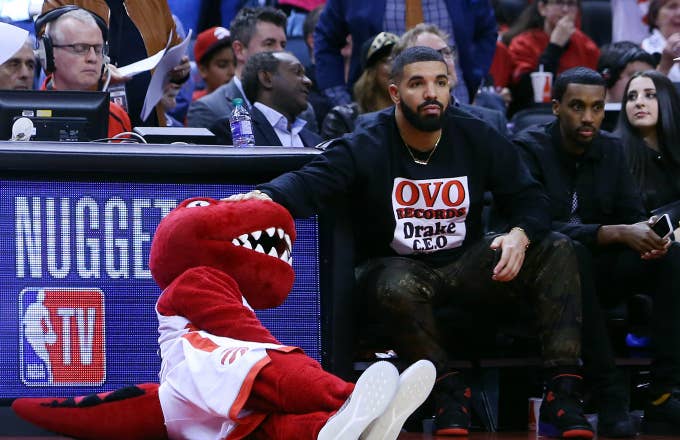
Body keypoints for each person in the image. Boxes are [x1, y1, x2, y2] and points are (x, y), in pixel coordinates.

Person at [230, 47, 594, 439]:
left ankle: (563, 391)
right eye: (417, 84)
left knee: (557, 248)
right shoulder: (369, 141)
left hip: (464, 262)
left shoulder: (477, 135)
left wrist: (519, 236)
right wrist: (263, 197)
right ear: (394, 93)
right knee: (395, 284)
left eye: (440, 82)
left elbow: (531, 199)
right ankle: (447, 389)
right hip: (394, 267)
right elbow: (311, 180)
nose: (431, 93)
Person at [513, 66, 680, 436]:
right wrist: (612, 232)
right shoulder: (529, 148)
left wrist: (649, 240)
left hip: (601, 270)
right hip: (546, 275)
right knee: (571, 252)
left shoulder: (612, 148)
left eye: (597, 108)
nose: (588, 118)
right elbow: (536, 225)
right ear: (555, 107)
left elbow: (632, 215)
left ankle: (664, 393)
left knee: (673, 258)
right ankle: (610, 395)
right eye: (577, 106)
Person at [313, 0, 498, 106]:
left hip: (456, 101)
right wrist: (337, 94)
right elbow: (326, 38)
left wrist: (475, 73)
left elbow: (487, 31)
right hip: (379, 109)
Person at [41, 0, 192, 128]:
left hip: (148, 123)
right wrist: (99, 71)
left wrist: (179, 70)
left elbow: (172, 49)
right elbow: (50, 57)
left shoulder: (155, 3)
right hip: (87, 122)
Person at [187, 6, 317, 133]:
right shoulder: (209, 109)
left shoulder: (303, 111)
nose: (280, 52)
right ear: (239, 50)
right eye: (269, 44)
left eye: (282, 45)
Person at [391, 22, 508, 135]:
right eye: (430, 54)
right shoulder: (382, 130)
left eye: (446, 53)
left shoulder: (492, 121)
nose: (444, 61)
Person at [35, 7, 132, 138]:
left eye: (98, 49)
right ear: (48, 54)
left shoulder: (116, 117)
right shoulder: (24, 113)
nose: (92, 58)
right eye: (80, 48)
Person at [210, 51, 321, 148]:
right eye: (297, 72)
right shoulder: (234, 129)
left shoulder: (316, 141)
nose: (308, 81)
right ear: (266, 79)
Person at [505, 0, 600, 113]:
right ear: (542, 8)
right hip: (536, 113)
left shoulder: (587, 46)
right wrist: (554, 47)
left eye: (571, 4)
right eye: (559, 3)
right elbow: (524, 94)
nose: (565, 9)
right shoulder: (523, 44)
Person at [616, 70, 680, 218]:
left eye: (650, 95)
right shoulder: (614, 152)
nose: (639, 102)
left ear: (667, 100)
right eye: (631, 97)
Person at [321, 31, 399, 140]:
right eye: (388, 60)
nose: (395, 67)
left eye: (400, 61)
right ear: (371, 72)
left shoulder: (414, 118)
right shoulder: (343, 119)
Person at [192, 26, 235, 102]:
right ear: (203, 70)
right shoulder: (195, 105)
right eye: (222, 65)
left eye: (236, 64)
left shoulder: (249, 102)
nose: (232, 72)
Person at [642, 0, 680, 82]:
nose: (679, 13)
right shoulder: (643, 50)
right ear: (655, 17)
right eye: (672, 7)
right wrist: (664, 67)